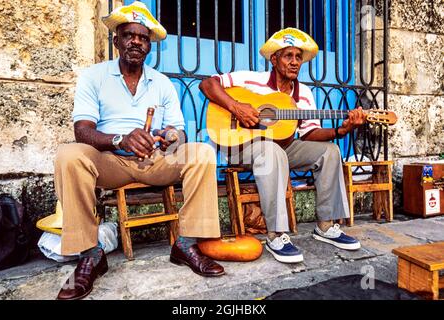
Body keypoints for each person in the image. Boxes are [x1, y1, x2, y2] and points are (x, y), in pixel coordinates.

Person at [55, 1, 224, 300]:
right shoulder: (94, 77)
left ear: (149, 46)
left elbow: (179, 133)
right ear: (116, 39)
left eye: (143, 37)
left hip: (154, 161)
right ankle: (90, 254)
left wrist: (167, 136)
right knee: (69, 155)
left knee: (201, 152)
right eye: (129, 35)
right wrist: (120, 139)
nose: (136, 41)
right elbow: (82, 131)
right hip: (111, 162)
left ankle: (185, 245)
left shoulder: (162, 83)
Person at [199, 27, 365, 264]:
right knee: (272, 151)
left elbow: (309, 134)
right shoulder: (250, 79)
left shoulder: (304, 94)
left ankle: (327, 225)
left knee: (330, 151)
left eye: (299, 57)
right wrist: (237, 107)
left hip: (283, 147)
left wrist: (342, 130)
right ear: (274, 59)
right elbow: (207, 84)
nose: (295, 62)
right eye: (289, 56)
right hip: (242, 146)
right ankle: (276, 234)